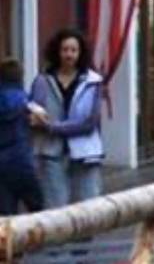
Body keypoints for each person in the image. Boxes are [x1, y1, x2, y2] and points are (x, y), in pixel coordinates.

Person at [28, 29, 104, 207]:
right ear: (57, 51)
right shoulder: (42, 81)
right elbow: (34, 109)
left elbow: (89, 123)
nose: (69, 54)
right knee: (56, 209)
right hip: (51, 152)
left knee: (88, 208)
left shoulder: (92, 82)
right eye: (65, 50)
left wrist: (53, 127)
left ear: (80, 53)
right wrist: (34, 115)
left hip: (85, 153)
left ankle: (84, 236)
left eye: (73, 50)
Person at [0, 58, 43, 216]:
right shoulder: (24, 100)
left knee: (6, 215)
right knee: (37, 210)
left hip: (1, 167)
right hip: (23, 162)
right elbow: (41, 119)